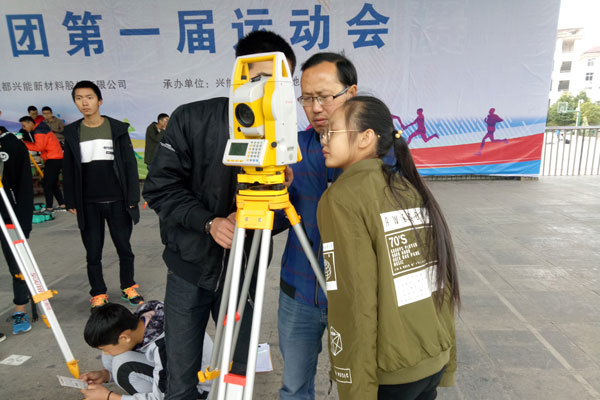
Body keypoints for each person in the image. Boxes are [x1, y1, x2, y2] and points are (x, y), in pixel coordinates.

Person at [142, 30, 296, 400]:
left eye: (280, 79)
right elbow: (159, 188)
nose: (268, 88)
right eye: (259, 76)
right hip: (188, 268)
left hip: (245, 270)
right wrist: (208, 222)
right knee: (180, 375)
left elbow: (283, 220)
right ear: (239, 73)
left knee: (236, 374)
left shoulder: (285, 133)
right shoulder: (191, 118)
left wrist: (279, 195)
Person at [316, 96, 460, 399]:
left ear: (366, 138)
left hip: (389, 374)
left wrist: (357, 387)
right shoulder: (407, 185)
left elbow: (354, 302)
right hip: (431, 357)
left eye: (332, 131)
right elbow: (439, 284)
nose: (324, 140)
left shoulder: (342, 197)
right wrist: (447, 360)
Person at [277, 52, 356, 400]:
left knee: (363, 385)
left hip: (359, 297)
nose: (315, 107)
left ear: (351, 94)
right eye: (307, 98)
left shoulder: (378, 152)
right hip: (300, 291)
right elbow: (282, 216)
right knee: (294, 386)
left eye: (324, 96)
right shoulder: (292, 149)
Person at [62, 80, 143, 308]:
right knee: (93, 252)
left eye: (89, 97)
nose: (84, 102)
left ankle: (128, 287)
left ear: (99, 101)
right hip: (88, 203)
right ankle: (98, 293)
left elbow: (129, 165)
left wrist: (132, 199)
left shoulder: (116, 129)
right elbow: (68, 168)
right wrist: (70, 199)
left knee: (124, 248)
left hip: (117, 201)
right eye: (79, 98)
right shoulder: (72, 132)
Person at [80, 302, 212, 400]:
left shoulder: (164, 345)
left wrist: (109, 397)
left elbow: (163, 396)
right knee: (116, 358)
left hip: (199, 392)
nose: (106, 353)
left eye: (106, 349)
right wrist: (105, 375)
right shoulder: (145, 321)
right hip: (179, 376)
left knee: (123, 366)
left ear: (124, 337)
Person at [0, 130, 34, 335]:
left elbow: (25, 187)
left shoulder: (13, 144)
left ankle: (20, 309)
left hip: (8, 216)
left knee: (17, 264)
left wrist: (23, 222)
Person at [19, 116, 66, 212]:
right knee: (52, 184)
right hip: (55, 158)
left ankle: (49, 207)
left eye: (24, 126)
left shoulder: (39, 131)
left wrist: (24, 143)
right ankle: (62, 205)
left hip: (53, 159)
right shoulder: (41, 128)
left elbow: (38, 147)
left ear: (29, 123)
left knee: (47, 184)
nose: (24, 128)